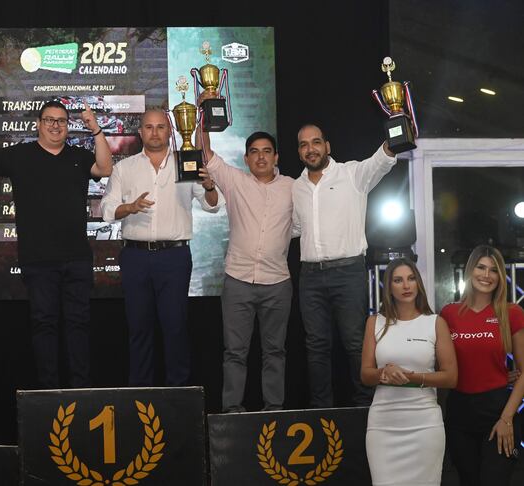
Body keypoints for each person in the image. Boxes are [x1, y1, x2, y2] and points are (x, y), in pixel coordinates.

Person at [0, 100, 112, 388]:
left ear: (68, 126)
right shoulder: (20, 155)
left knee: (78, 325)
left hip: (77, 258)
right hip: (38, 260)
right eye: (49, 120)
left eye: (62, 121)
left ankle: (81, 389)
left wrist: (95, 130)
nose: (55, 125)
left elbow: (105, 168)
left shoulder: (78, 156)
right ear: (38, 124)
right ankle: (49, 392)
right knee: (45, 325)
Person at [100, 108, 222, 386]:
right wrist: (128, 207)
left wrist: (210, 186)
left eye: (160, 127)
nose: (155, 132)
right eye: (149, 127)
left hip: (175, 257)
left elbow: (212, 205)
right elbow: (106, 209)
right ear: (140, 132)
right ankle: (140, 394)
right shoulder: (124, 168)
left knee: (175, 328)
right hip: (135, 257)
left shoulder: (188, 162)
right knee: (138, 329)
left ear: (170, 131)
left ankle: (179, 395)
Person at [195, 107, 293, 411]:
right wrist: (203, 112)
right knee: (235, 352)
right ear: (246, 158)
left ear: (276, 157)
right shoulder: (235, 181)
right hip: (238, 281)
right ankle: (232, 412)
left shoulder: (294, 187)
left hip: (278, 283)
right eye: (254, 152)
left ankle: (274, 410)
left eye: (267, 152)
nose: (261, 157)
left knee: (275, 351)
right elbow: (205, 151)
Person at [292, 124, 396, 407]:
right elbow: (292, 228)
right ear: (299, 151)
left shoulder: (352, 174)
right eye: (304, 144)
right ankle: (321, 412)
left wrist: (397, 132)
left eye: (316, 142)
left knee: (354, 343)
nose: (310, 149)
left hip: (348, 273)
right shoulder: (296, 188)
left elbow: (381, 161)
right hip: (310, 277)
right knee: (316, 348)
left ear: (327, 146)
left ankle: (364, 407)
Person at [361, 258, 457, 486]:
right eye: (398, 280)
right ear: (389, 287)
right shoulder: (374, 322)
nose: (406, 285)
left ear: (418, 284)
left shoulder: (435, 322)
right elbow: (365, 374)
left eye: (411, 279)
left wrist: (413, 378)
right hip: (383, 425)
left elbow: (451, 377)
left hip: (425, 425)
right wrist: (384, 373)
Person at [440, 245, 524, 486]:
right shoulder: (449, 313)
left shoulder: (512, 312)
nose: (486, 275)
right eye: (481, 267)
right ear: (470, 270)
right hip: (459, 412)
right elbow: (443, 365)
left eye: (493, 270)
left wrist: (507, 418)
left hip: (497, 411)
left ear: (500, 277)